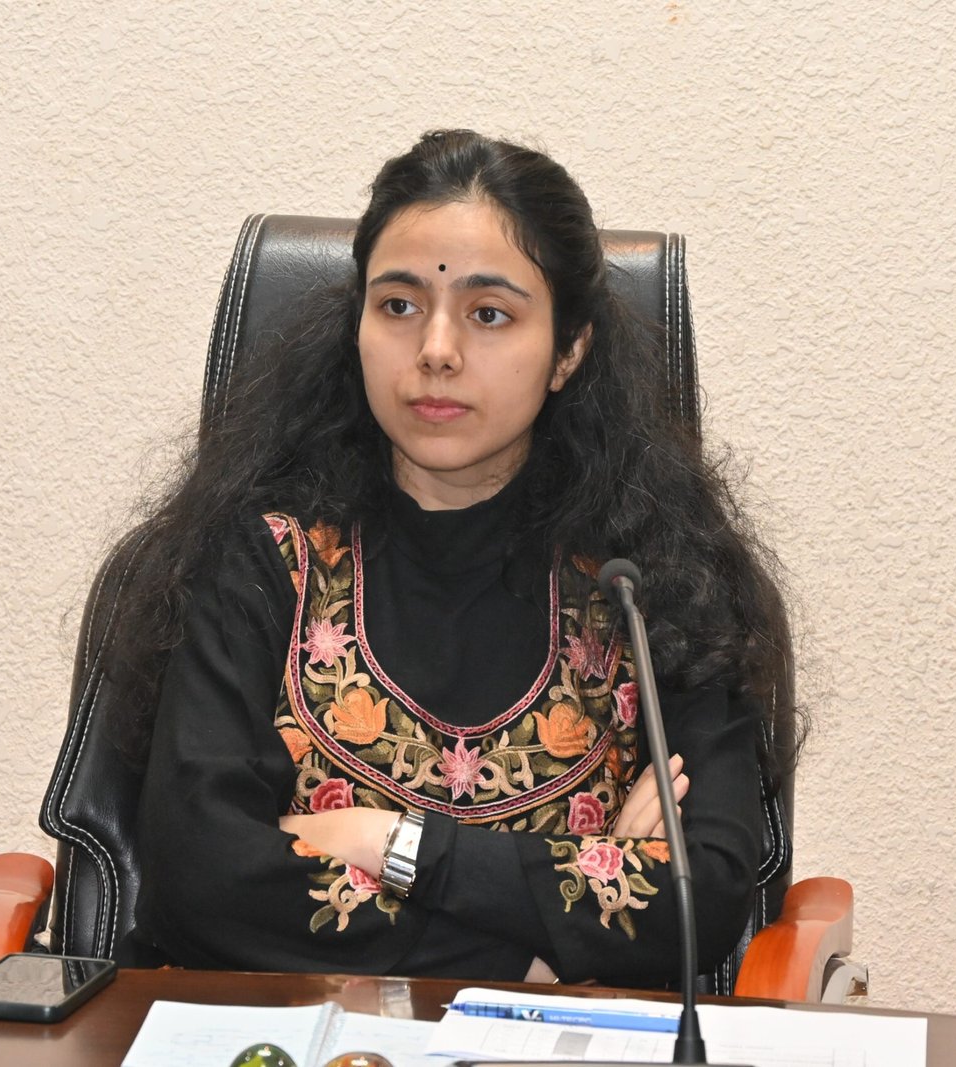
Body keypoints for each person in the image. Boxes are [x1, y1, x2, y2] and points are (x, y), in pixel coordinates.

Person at [110, 130, 802, 987]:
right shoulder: (261, 558)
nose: (436, 349)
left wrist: (386, 842)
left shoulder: (652, 581)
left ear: (570, 349)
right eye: (399, 305)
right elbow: (203, 883)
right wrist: (544, 940)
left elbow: (701, 901)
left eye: (489, 314)